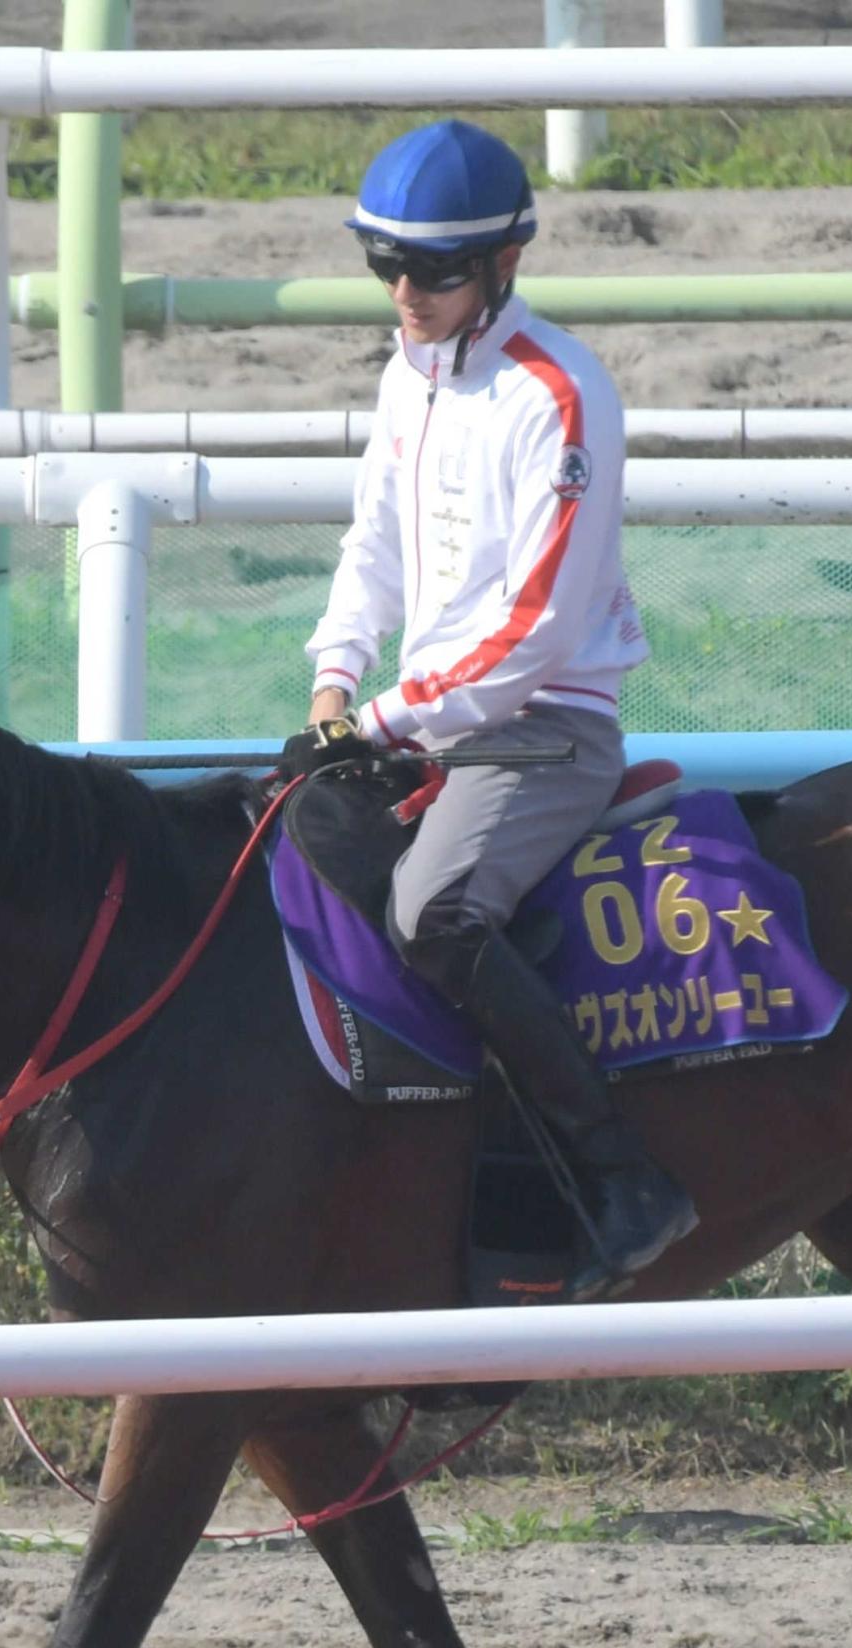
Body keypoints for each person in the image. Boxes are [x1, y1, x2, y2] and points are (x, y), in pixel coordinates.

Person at [287, 119, 697, 1302]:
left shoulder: (562, 395)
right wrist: (330, 680)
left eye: (435, 272)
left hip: (544, 730)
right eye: (387, 268)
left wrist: (374, 724)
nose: (407, 294)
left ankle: (624, 1179)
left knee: (432, 915)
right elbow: (371, 550)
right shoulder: (406, 376)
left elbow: (539, 634)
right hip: (432, 724)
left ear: (502, 266)